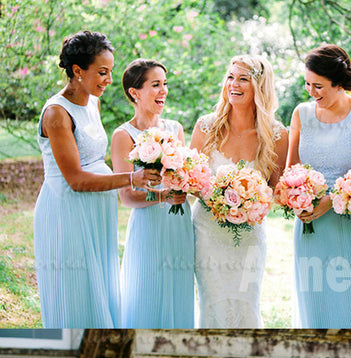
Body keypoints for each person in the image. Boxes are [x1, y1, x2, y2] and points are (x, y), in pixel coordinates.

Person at [34, 31, 161, 328]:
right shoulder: (57, 113)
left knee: (99, 287)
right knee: (75, 290)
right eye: (102, 72)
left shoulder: (93, 102)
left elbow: (92, 157)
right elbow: (76, 180)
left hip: (97, 210)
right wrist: (132, 178)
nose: (109, 80)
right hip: (68, 210)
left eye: (110, 72)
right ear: (78, 71)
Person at [288, 44, 351, 328]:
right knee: (315, 302)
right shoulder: (301, 114)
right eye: (307, 84)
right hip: (310, 227)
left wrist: (331, 201)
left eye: (318, 86)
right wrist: (295, 200)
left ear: (339, 83)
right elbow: (292, 170)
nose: (311, 92)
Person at [190, 54, 288, 327]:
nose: (234, 84)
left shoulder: (277, 135)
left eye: (243, 79)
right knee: (211, 302)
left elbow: (275, 190)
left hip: (249, 234)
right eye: (231, 77)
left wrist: (250, 201)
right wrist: (218, 196)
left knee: (246, 302)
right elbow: (191, 180)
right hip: (207, 230)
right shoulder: (206, 126)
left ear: (259, 86)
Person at [111, 59, 194, 328]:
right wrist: (161, 196)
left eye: (165, 84)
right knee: (145, 291)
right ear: (134, 92)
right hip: (148, 225)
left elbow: (183, 178)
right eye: (155, 85)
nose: (163, 91)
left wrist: (189, 185)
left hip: (179, 223)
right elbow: (127, 197)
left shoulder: (175, 129)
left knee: (177, 290)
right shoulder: (123, 135)